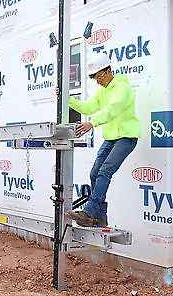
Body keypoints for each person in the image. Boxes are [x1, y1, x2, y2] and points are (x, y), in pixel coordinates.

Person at [67, 53, 140, 228]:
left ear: (108, 71)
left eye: (99, 76)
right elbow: (88, 107)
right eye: (94, 78)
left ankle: (89, 212)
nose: (97, 81)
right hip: (111, 138)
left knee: (105, 171)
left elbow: (112, 110)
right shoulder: (102, 90)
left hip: (127, 137)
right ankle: (100, 217)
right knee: (95, 173)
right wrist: (66, 99)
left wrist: (91, 123)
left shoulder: (122, 88)